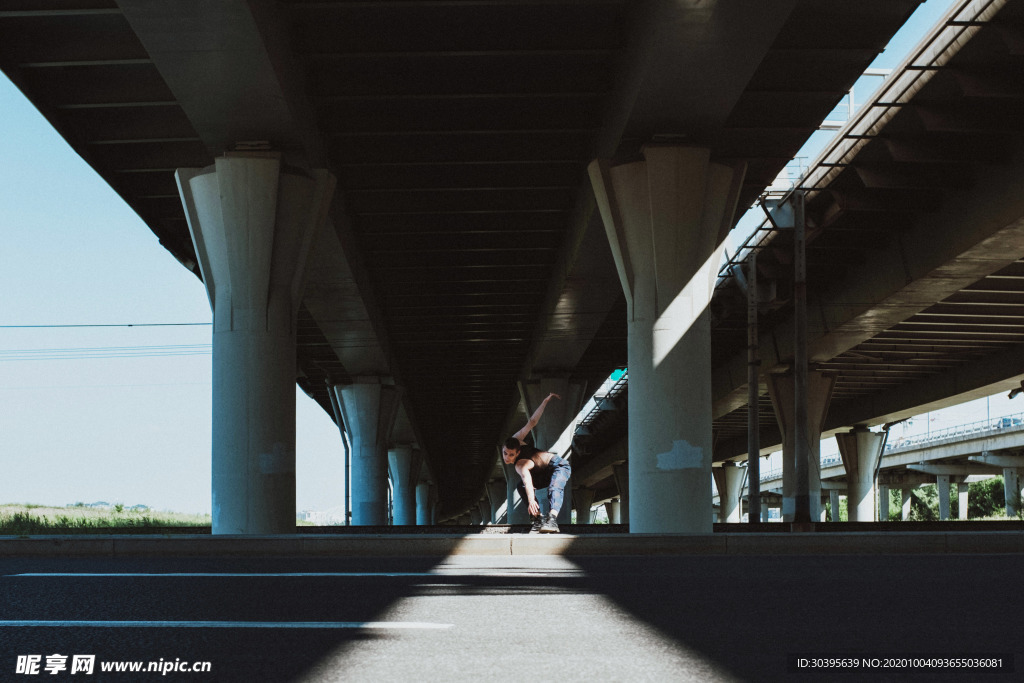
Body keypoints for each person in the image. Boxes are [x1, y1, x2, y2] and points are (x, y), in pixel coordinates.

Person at [500, 392, 571, 533]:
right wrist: (544, 402)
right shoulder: (515, 439)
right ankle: (538, 519)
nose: (507, 457)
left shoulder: (520, 465)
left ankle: (552, 520)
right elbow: (531, 422)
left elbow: (528, 480)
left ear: (518, 452)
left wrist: (532, 500)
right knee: (520, 486)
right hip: (543, 473)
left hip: (559, 466)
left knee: (554, 488)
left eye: (511, 455)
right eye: (505, 453)